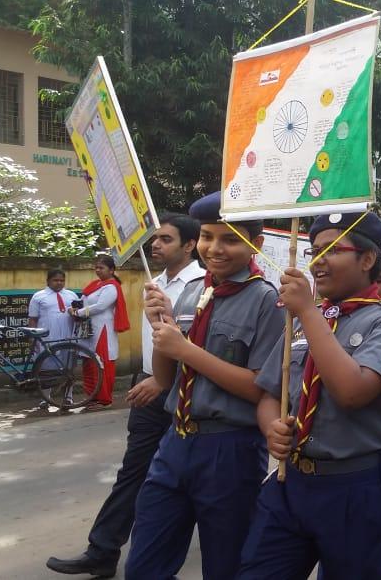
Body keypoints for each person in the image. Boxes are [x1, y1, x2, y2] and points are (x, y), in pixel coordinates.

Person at [239, 212, 381, 579]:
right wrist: (272, 427)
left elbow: (352, 392)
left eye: (332, 250)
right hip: (292, 482)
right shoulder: (304, 321)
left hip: (355, 486)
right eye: (314, 251)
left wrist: (306, 309)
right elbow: (269, 392)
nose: (318, 261)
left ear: (367, 260)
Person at [124, 192, 284, 579]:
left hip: (229, 448)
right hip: (176, 440)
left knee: (225, 563)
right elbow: (165, 379)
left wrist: (187, 350)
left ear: (256, 245)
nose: (216, 248)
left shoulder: (268, 301)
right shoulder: (194, 291)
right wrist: (160, 324)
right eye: (209, 237)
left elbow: (260, 389)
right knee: (144, 563)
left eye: (230, 239)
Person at [46, 214, 204, 578]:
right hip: (149, 387)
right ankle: (103, 550)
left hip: (186, 391)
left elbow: (195, 345)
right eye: (156, 238)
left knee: (188, 480)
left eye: (166, 239)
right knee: (134, 472)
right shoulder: (155, 281)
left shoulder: (202, 285)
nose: (156, 244)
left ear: (190, 245)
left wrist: (165, 381)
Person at [71, 255, 131, 409]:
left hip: (103, 330)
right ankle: (91, 397)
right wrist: (75, 308)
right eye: (96, 267)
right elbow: (84, 301)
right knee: (89, 363)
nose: (98, 270)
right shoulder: (95, 285)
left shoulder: (111, 287)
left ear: (111, 270)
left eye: (101, 268)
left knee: (101, 362)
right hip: (89, 330)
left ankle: (104, 400)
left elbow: (100, 306)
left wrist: (79, 313)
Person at [28, 269, 79, 342]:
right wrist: (32, 339)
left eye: (62, 281)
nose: (59, 283)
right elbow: (33, 319)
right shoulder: (38, 296)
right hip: (46, 339)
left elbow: (79, 316)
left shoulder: (72, 295)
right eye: (55, 280)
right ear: (48, 281)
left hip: (69, 338)